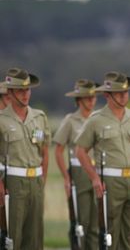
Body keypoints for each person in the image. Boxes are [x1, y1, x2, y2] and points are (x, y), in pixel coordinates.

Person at [75, 71, 130, 249]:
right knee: (110, 233)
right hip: (110, 181)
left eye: (126, 92)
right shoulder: (96, 120)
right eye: (118, 92)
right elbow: (80, 151)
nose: (124, 96)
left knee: (129, 232)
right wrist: (94, 178)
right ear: (107, 94)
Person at [0, 68, 51, 249]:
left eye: (27, 89)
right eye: (20, 90)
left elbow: (45, 151)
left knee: (35, 235)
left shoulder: (39, 117)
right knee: (13, 236)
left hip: (35, 181)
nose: (25, 94)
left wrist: (42, 179)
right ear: (11, 92)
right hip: (13, 181)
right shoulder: (2, 119)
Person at [53, 79, 98, 249]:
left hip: (97, 171)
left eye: (93, 97)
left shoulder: (98, 118)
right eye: (87, 98)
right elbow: (58, 150)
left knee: (96, 222)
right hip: (79, 173)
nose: (91, 101)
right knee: (81, 220)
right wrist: (66, 177)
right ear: (79, 100)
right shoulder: (70, 120)